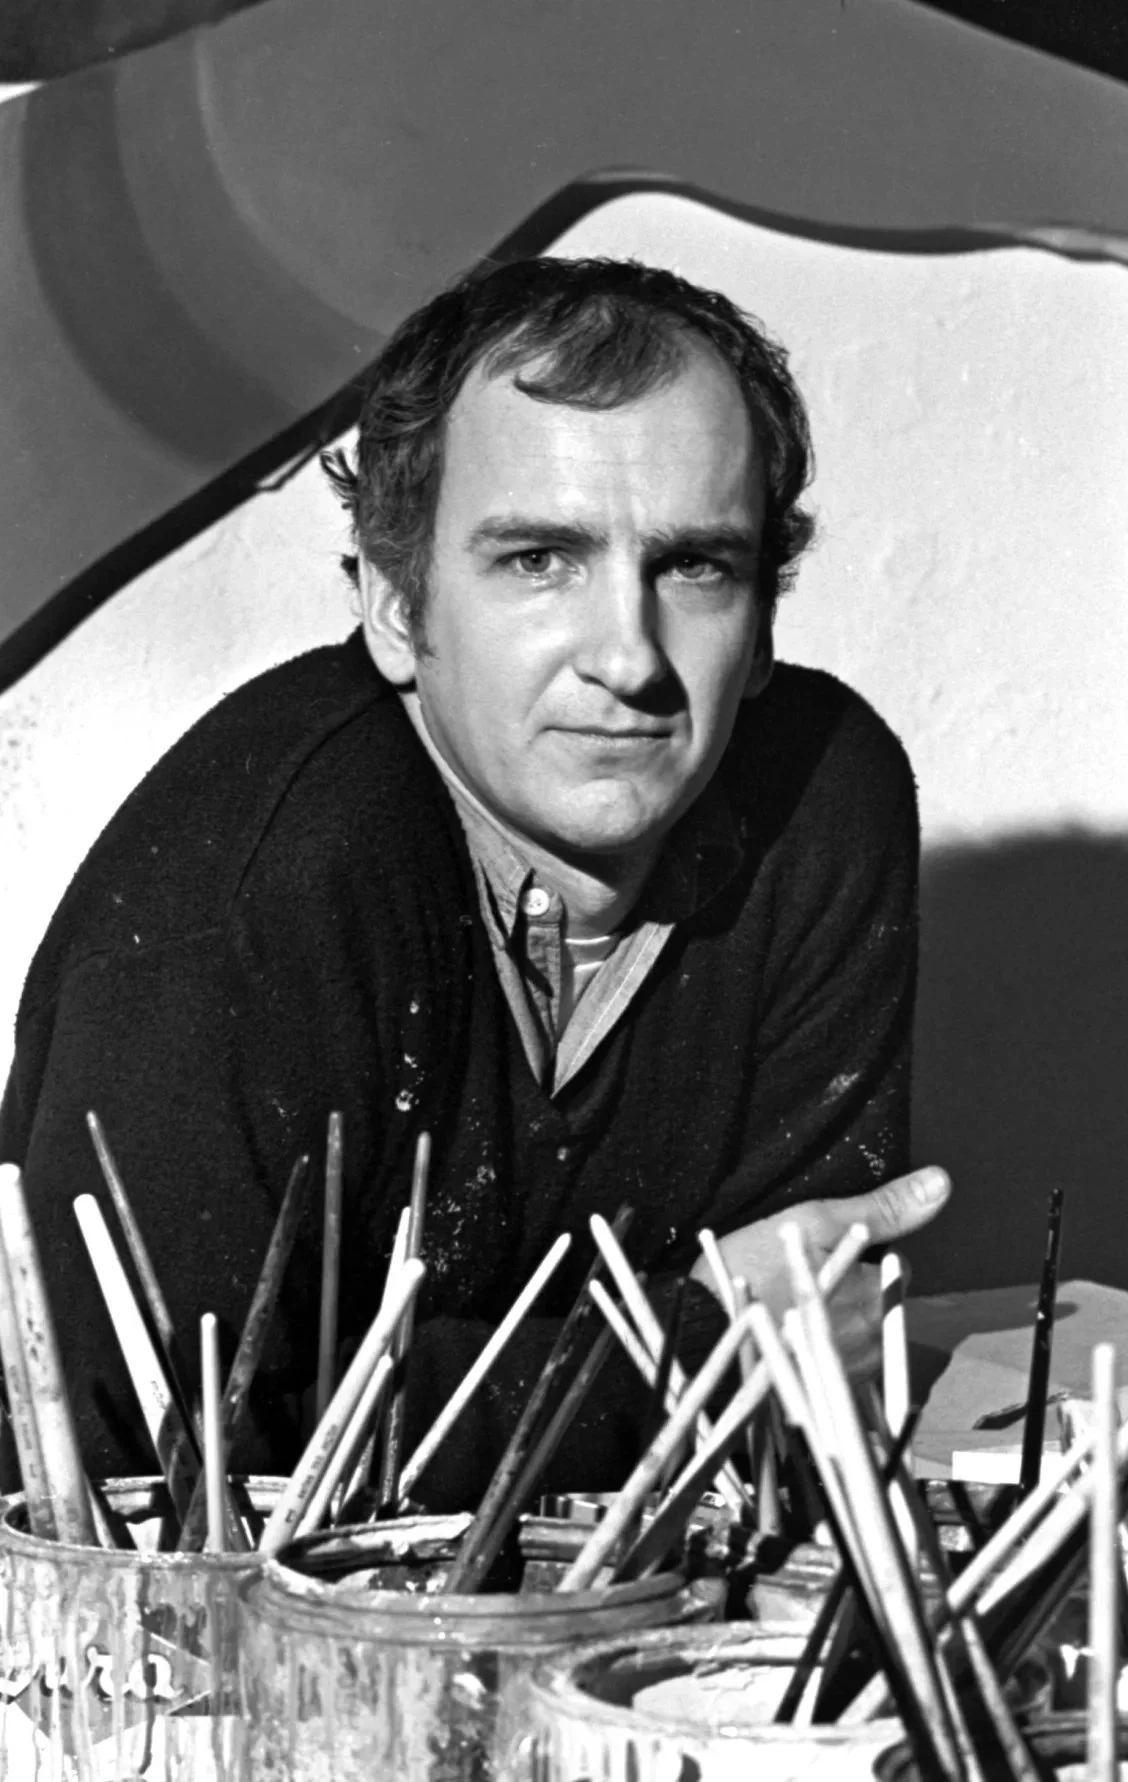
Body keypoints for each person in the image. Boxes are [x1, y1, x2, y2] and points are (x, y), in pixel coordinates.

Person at [0, 257, 950, 1508]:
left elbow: (803, 1362)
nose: (628, 658)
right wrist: (684, 1356)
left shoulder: (818, 803)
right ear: (396, 607)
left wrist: (709, 1361)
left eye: (695, 567)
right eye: (540, 560)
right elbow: (140, 1465)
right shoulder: (253, 889)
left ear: (764, 620)